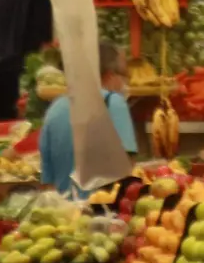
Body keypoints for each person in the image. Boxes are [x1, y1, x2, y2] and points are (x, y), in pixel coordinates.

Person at [39, 43, 138, 195]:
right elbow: (126, 169)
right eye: (124, 74)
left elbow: (47, 182)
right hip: (101, 209)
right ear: (110, 75)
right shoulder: (113, 103)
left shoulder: (54, 109)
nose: (126, 82)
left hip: (64, 211)